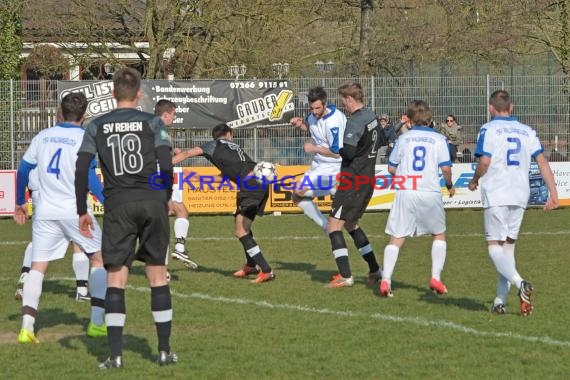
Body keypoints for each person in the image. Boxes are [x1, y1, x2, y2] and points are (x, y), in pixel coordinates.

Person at [75, 68, 177, 368]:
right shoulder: (154, 121)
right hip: (151, 201)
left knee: (116, 279)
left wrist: (82, 210)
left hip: (117, 204)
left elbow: (81, 169)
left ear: (112, 93)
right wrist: (164, 194)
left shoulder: (96, 125)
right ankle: (163, 351)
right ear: (139, 94)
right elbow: (166, 165)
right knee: (157, 275)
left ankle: (116, 356)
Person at [13, 92, 108, 344]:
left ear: (60, 111)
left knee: (38, 267)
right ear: (85, 115)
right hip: (73, 210)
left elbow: (23, 169)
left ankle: (26, 328)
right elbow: (88, 177)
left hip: (44, 211)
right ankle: (97, 323)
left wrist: (20, 202)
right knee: (98, 258)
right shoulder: (85, 138)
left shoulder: (42, 136)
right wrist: (108, 201)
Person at [468, 90, 559, 316]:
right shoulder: (527, 131)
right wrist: (553, 192)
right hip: (519, 194)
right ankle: (500, 301)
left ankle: (520, 284)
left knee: (493, 247)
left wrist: (475, 179)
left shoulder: (488, 129)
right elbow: (542, 162)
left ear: (491, 108)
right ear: (512, 107)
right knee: (507, 248)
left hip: (497, 192)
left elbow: (485, 161)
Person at [173, 123, 275, 284]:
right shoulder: (234, 148)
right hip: (257, 184)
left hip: (251, 187)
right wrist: (200, 179)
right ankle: (251, 265)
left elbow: (187, 153)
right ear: (229, 134)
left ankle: (267, 270)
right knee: (243, 227)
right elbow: (226, 176)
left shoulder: (214, 145)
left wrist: (166, 164)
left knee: (241, 231)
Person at [380, 100, 455, 297]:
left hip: (406, 191)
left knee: (397, 237)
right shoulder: (439, 139)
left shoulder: (403, 139)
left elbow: (390, 168)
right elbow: (446, 169)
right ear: (430, 120)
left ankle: (386, 280)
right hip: (429, 192)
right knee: (438, 234)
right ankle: (435, 278)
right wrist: (449, 185)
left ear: (410, 121)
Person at [325, 81, 383, 288]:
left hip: (353, 179)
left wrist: (337, 149)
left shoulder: (356, 121)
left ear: (350, 99)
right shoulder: (372, 116)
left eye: (344, 102)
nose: (344, 106)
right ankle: (375, 271)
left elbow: (348, 152)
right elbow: (382, 140)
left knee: (333, 226)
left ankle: (345, 276)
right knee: (351, 224)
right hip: (367, 178)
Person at [289, 86, 346, 232]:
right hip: (318, 165)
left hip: (332, 166)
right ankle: (327, 227)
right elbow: (309, 126)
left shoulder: (334, 122)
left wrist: (314, 149)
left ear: (325, 104)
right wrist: (300, 124)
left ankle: (333, 189)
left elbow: (337, 153)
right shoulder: (314, 115)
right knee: (295, 197)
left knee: (299, 190)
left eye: (317, 108)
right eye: (312, 108)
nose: (314, 111)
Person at [154, 99, 198, 269]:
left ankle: (179, 248)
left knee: (180, 210)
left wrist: (174, 150)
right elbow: (167, 161)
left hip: (160, 175)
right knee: (164, 218)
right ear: (165, 114)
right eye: (173, 115)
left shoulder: (155, 128)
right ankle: (161, 267)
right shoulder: (159, 129)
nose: (174, 118)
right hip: (159, 176)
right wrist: (187, 153)